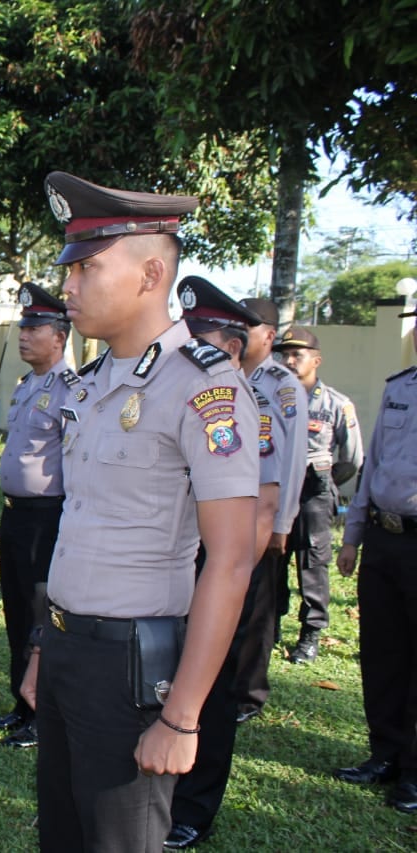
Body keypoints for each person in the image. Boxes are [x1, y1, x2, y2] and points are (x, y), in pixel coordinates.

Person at [20, 172, 259, 852]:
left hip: (131, 665)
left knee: (118, 840)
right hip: (69, 648)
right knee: (63, 834)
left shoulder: (205, 385)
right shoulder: (93, 382)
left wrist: (182, 716)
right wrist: (46, 644)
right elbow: (80, 524)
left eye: (88, 268)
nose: (68, 287)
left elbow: (232, 559)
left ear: (152, 273)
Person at [165, 275, 282, 850]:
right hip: (178, 558)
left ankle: (195, 806)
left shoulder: (252, 409)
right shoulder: (182, 396)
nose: (188, 349)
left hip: (224, 564)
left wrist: (231, 580)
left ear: (232, 347)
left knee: (210, 691)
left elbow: (263, 509)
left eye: (201, 339)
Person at [0, 281, 72, 750]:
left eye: (34, 327)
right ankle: (21, 702)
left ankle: (43, 713)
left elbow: (72, 462)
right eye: (23, 325)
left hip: (48, 518)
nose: (23, 333)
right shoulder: (27, 384)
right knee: (17, 610)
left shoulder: (71, 388)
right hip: (14, 515)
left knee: (41, 613)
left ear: (59, 336)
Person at [333, 303, 417, 814]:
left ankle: (414, 771)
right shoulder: (399, 387)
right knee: (383, 652)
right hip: (386, 540)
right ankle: (384, 752)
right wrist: (353, 536)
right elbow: (373, 466)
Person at [233, 298, 308, 722]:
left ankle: (249, 694)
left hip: (265, 512)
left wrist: (283, 523)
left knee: (258, 606)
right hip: (225, 508)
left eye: (251, 327)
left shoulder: (281, 385)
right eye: (236, 326)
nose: (241, 334)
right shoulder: (225, 375)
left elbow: (294, 456)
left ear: (269, 335)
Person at [271, 325, 363, 664]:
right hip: (277, 490)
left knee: (312, 563)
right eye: (285, 354)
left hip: (314, 491)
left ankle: (310, 635)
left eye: (298, 355)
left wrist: (325, 482)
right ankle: (272, 627)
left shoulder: (336, 404)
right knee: (272, 559)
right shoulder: (271, 397)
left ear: (316, 360)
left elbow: (352, 459)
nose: (290, 361)